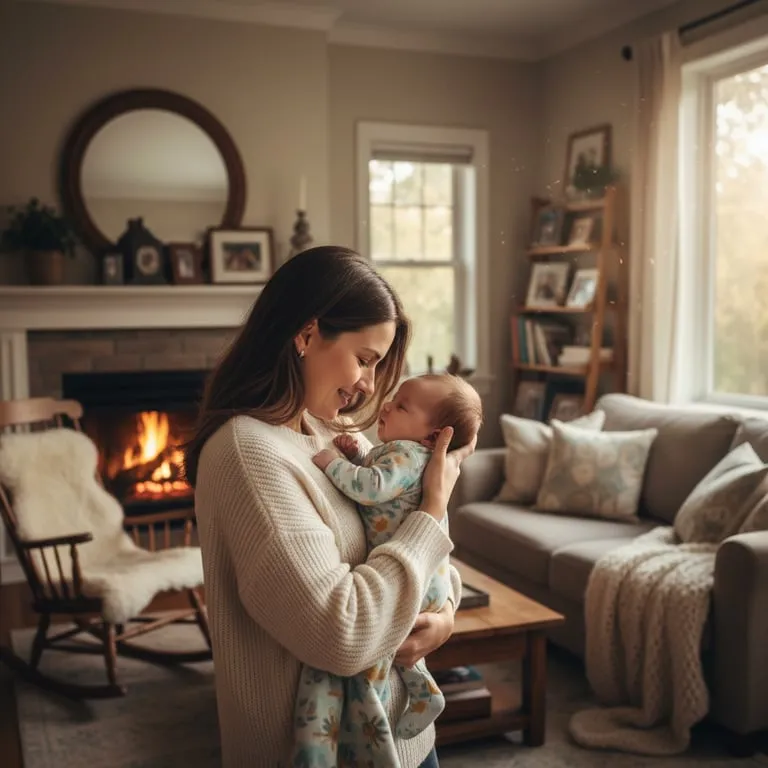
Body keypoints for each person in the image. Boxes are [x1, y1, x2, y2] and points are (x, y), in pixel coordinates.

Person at [183, 246, 477, 768]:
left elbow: (405, 541)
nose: (368, 384)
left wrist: (446, 616)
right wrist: (434, 510)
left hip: (401, 739)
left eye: (377, 365)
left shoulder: (325, 432)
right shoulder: (249, 455)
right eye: (364, 359)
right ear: (306, 334)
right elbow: (342, 635)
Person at [291, 374, 483, 766]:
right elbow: (388, 492)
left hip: (414, 578)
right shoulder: (407, 457)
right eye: (394, 399)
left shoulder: (407, 456)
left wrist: (333, 463)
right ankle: (425, 693)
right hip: (424, 577)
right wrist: (357, 456)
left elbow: (371, 490)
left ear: (432, 438)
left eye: (402, 406)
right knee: (397, 653)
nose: (386, 405)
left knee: (379, 664)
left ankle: (375, 731)